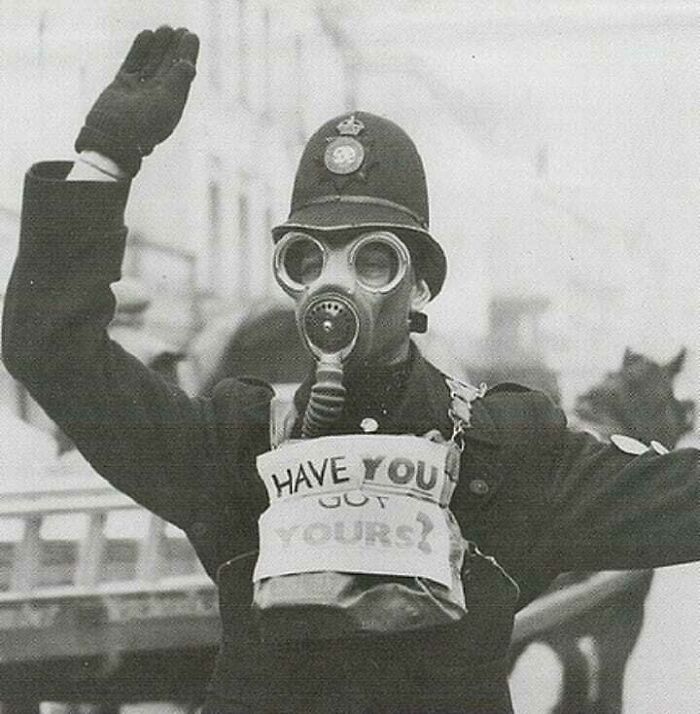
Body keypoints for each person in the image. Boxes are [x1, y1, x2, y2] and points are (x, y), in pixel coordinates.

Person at [2, 26, 698, 714]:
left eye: (373, 259)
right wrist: (104, 157)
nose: (336, 286)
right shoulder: (237, 447)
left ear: (420, 287)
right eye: (309, 259)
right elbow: (49, 347)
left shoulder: (506, 455)